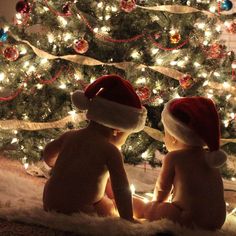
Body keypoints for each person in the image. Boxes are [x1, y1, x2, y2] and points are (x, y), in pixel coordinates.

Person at [42, 74, 147, 222]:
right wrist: (127, 217)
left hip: (50, 200)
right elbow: (121, 188)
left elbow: (48, 153)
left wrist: (56, 165)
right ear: (118, 130)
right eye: (127, 135)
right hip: (82, 207)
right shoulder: (111, 151)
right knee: (107, 206)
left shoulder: (69, 135)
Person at [133, 97, 227, 230]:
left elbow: (162, 188)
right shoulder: (210, 158)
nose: (164, 137)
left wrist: (156, 204)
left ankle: (145, 210)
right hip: (218, 219)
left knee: (153, 210)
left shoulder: (174, 157)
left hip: (188, 217)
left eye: (165, 133)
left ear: (175, 138)